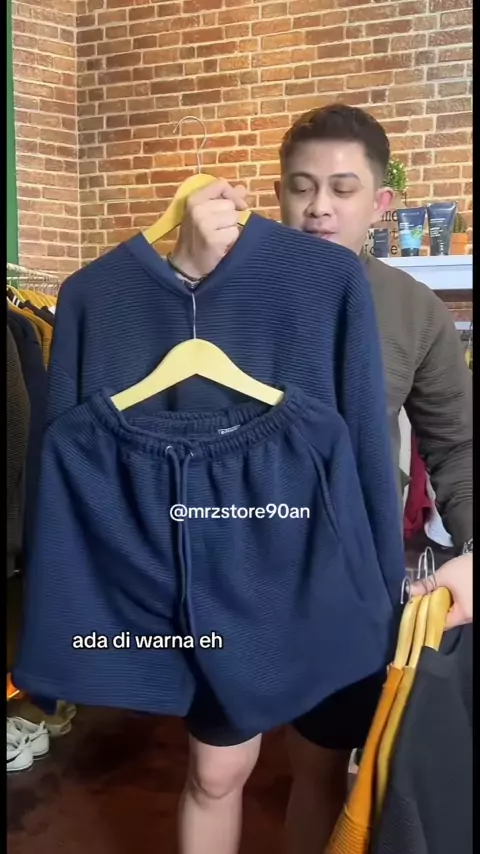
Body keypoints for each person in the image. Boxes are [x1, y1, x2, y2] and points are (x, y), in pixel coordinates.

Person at [168, 104, 473, 854]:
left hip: (350, 577)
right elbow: (155, 409)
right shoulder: (212, 288)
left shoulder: (413, 310)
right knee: (215, 770)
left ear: (381, 202)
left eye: (342, 188)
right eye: (301, 187)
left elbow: (458, 447)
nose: (319, 208)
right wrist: (181, 281)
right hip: (228, 569)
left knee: (321, 764)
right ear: (278, 194)